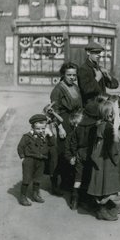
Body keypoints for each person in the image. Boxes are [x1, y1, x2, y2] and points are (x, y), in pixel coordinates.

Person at [87, 100, 120, 221]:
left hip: (101, 157)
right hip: (106, 160)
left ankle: (107, 205)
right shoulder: (109, 127)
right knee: (106, 183)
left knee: (105, 182)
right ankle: (102, 210)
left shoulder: (101, 124)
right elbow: (112, 146)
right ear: (111, 114)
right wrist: (117, 154)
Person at [50, 62, 83, 191]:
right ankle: (56, 182)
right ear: (63, 74)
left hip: (74, 122)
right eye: (69, 75)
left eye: (74, 75)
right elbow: (54, 111)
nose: (72, 77)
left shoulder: (75, 87)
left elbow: (80, 106)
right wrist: (60, 127)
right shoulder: (58, 89)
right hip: (63, 123)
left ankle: (67, 181)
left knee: (72, 150)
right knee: (62, 152)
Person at [65, 101, 99, 210]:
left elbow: (73, 143)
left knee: (78, 177)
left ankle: (74, 200)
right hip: (90, 153)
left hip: (79, 153)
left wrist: (74, 154)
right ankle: (88, 200)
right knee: (89, 176)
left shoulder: (78, 128)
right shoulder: (95, 126)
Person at [17, 114, 54, 206]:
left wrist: (50, 134)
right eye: (38, 129)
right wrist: (22, 157)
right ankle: (23, 196)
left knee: (38, 178)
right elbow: (20, 147)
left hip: (41, 160)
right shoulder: (27, 136)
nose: (40, 131)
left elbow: (52, 144)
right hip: (29, 160)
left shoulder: (45, 136)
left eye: (42, 129)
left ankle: (35, 194)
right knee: (27, 178)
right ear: (32, 128)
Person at [77, 41, 119, 105]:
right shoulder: (83, 69)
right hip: (90, 105)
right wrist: (97, 79)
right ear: (88, 52)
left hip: (101, 103)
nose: (99, 55)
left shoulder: (99, 68)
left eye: (99, 52)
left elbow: (114, 86)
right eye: (96, 52)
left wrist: (108, 76)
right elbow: (85, 90)